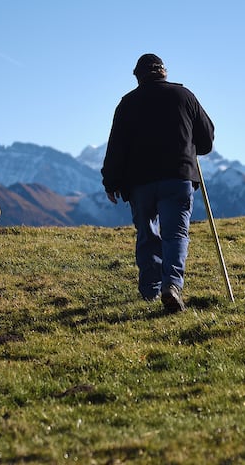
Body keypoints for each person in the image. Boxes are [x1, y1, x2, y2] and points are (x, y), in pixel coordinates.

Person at [101, 53, 215, 313]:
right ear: (164, 72)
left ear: (138, 76)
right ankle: (172, 285)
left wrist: (111, 182)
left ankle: (150, 291)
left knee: (147, 234)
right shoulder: (184, 96)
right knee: (175, 234)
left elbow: (116, 147)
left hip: (140, 182)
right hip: (178, 176)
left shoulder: (127, 104)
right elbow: (207, 139)